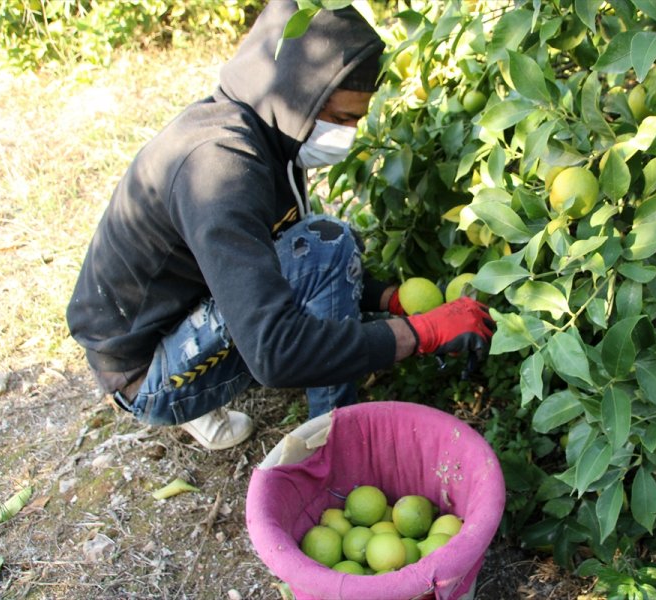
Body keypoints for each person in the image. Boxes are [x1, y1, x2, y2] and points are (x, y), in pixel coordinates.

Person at [66, 1, 494, 451]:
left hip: (172, 314)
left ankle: (233, 391)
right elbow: (275, 352)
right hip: (142, 373)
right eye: (342, 118)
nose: (348, 134)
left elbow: (283, 252)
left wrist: (388, 299)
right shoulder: (219, 168)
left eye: (357, 119)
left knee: (324, 246)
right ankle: (331, 436)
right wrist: (419, 334)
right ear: (299, 93)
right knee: (328, 244)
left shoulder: (261, 127)